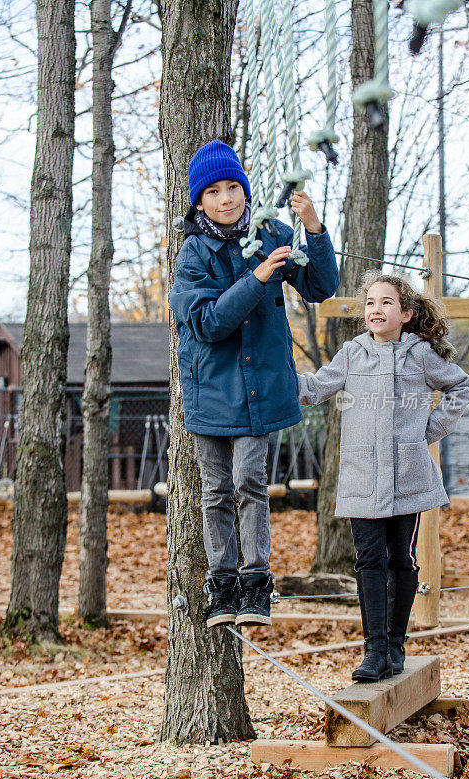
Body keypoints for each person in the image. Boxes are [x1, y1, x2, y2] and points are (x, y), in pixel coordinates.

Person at [169, 139, 340, 629]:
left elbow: (319, 287)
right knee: (216, 489)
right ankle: (222, 582)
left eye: (233, 188)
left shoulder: (269, 233)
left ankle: (257, 581)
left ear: (244, 190)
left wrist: (312, 229)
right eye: (214, 192)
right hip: (211, 389)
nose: (226, 199)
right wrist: (258, 278)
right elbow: (207, 322)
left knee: (251, 480)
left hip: (260, 387)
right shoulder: (192, 255)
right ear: (199, 202)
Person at [297, 272, 469, 681]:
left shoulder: (421, 355)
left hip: (407, 475)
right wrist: (269, 376)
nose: (376, 309)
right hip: (361, 476)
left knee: (402, 559)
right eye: (371, 303)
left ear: (406, 313)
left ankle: (396, 644)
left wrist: (425, 433)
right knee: (369, 560)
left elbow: (461, 388)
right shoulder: (351, 353)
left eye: (387, 302)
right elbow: (313, 388)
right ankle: (374, 652)